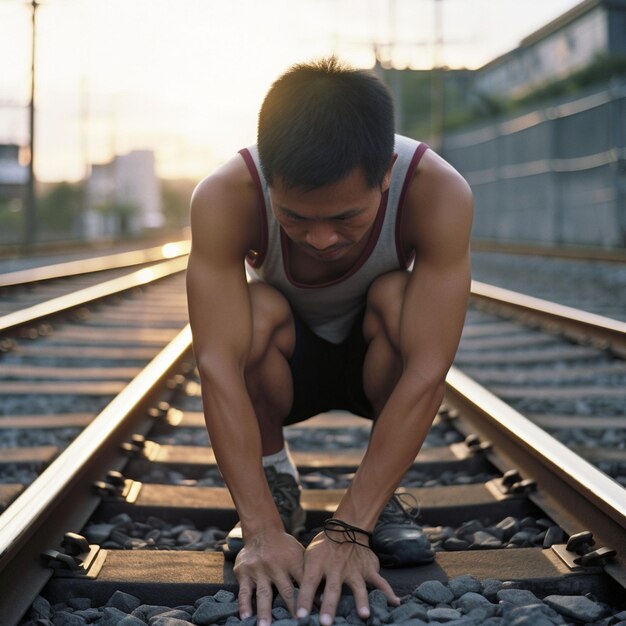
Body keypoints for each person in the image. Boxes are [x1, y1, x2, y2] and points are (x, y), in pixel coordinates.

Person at [186, 57, 473, 626]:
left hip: (380, 362)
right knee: (257, 308)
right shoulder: (224, 195)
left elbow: (427, 368)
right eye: (294, 217)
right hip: (285, 368)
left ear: (386, 172)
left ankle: (377, 499)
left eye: (345, 217)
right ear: (268, 178)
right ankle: (275, 484)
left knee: (395, 295)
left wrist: (348, 529)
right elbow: (217, 365)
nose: (320, 238)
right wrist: (262, 533)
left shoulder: (437, 190)